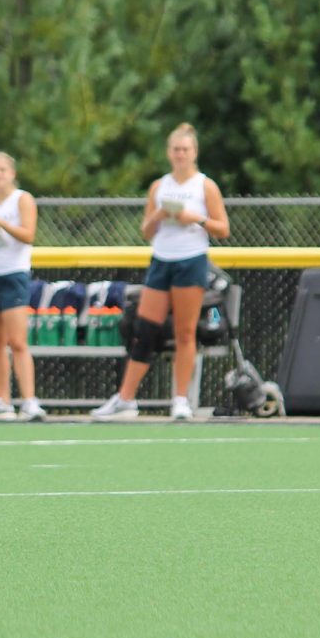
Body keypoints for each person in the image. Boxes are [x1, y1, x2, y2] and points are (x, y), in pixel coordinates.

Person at [92, 124, 229, 421]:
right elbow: (146, 231)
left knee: (184, 330)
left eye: (186, 150)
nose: (180, 155)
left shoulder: (205, 186)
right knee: (145, 330)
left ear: (194, 153)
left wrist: (194, 218)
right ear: (169, 153)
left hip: (190, 260)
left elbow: (222, 228)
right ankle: (126, 399)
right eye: (176, 149)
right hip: (161, 260)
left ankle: (180, 399)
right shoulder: (159, 186)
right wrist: (160, 214)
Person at [0, 152, 45, 422]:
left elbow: (28, 235)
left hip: (13, 274)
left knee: (17, 342)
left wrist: (2, 224)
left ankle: (29, 401)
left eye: (3, 170)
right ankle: (2, 400)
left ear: (12, 173)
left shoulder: (22, 199)